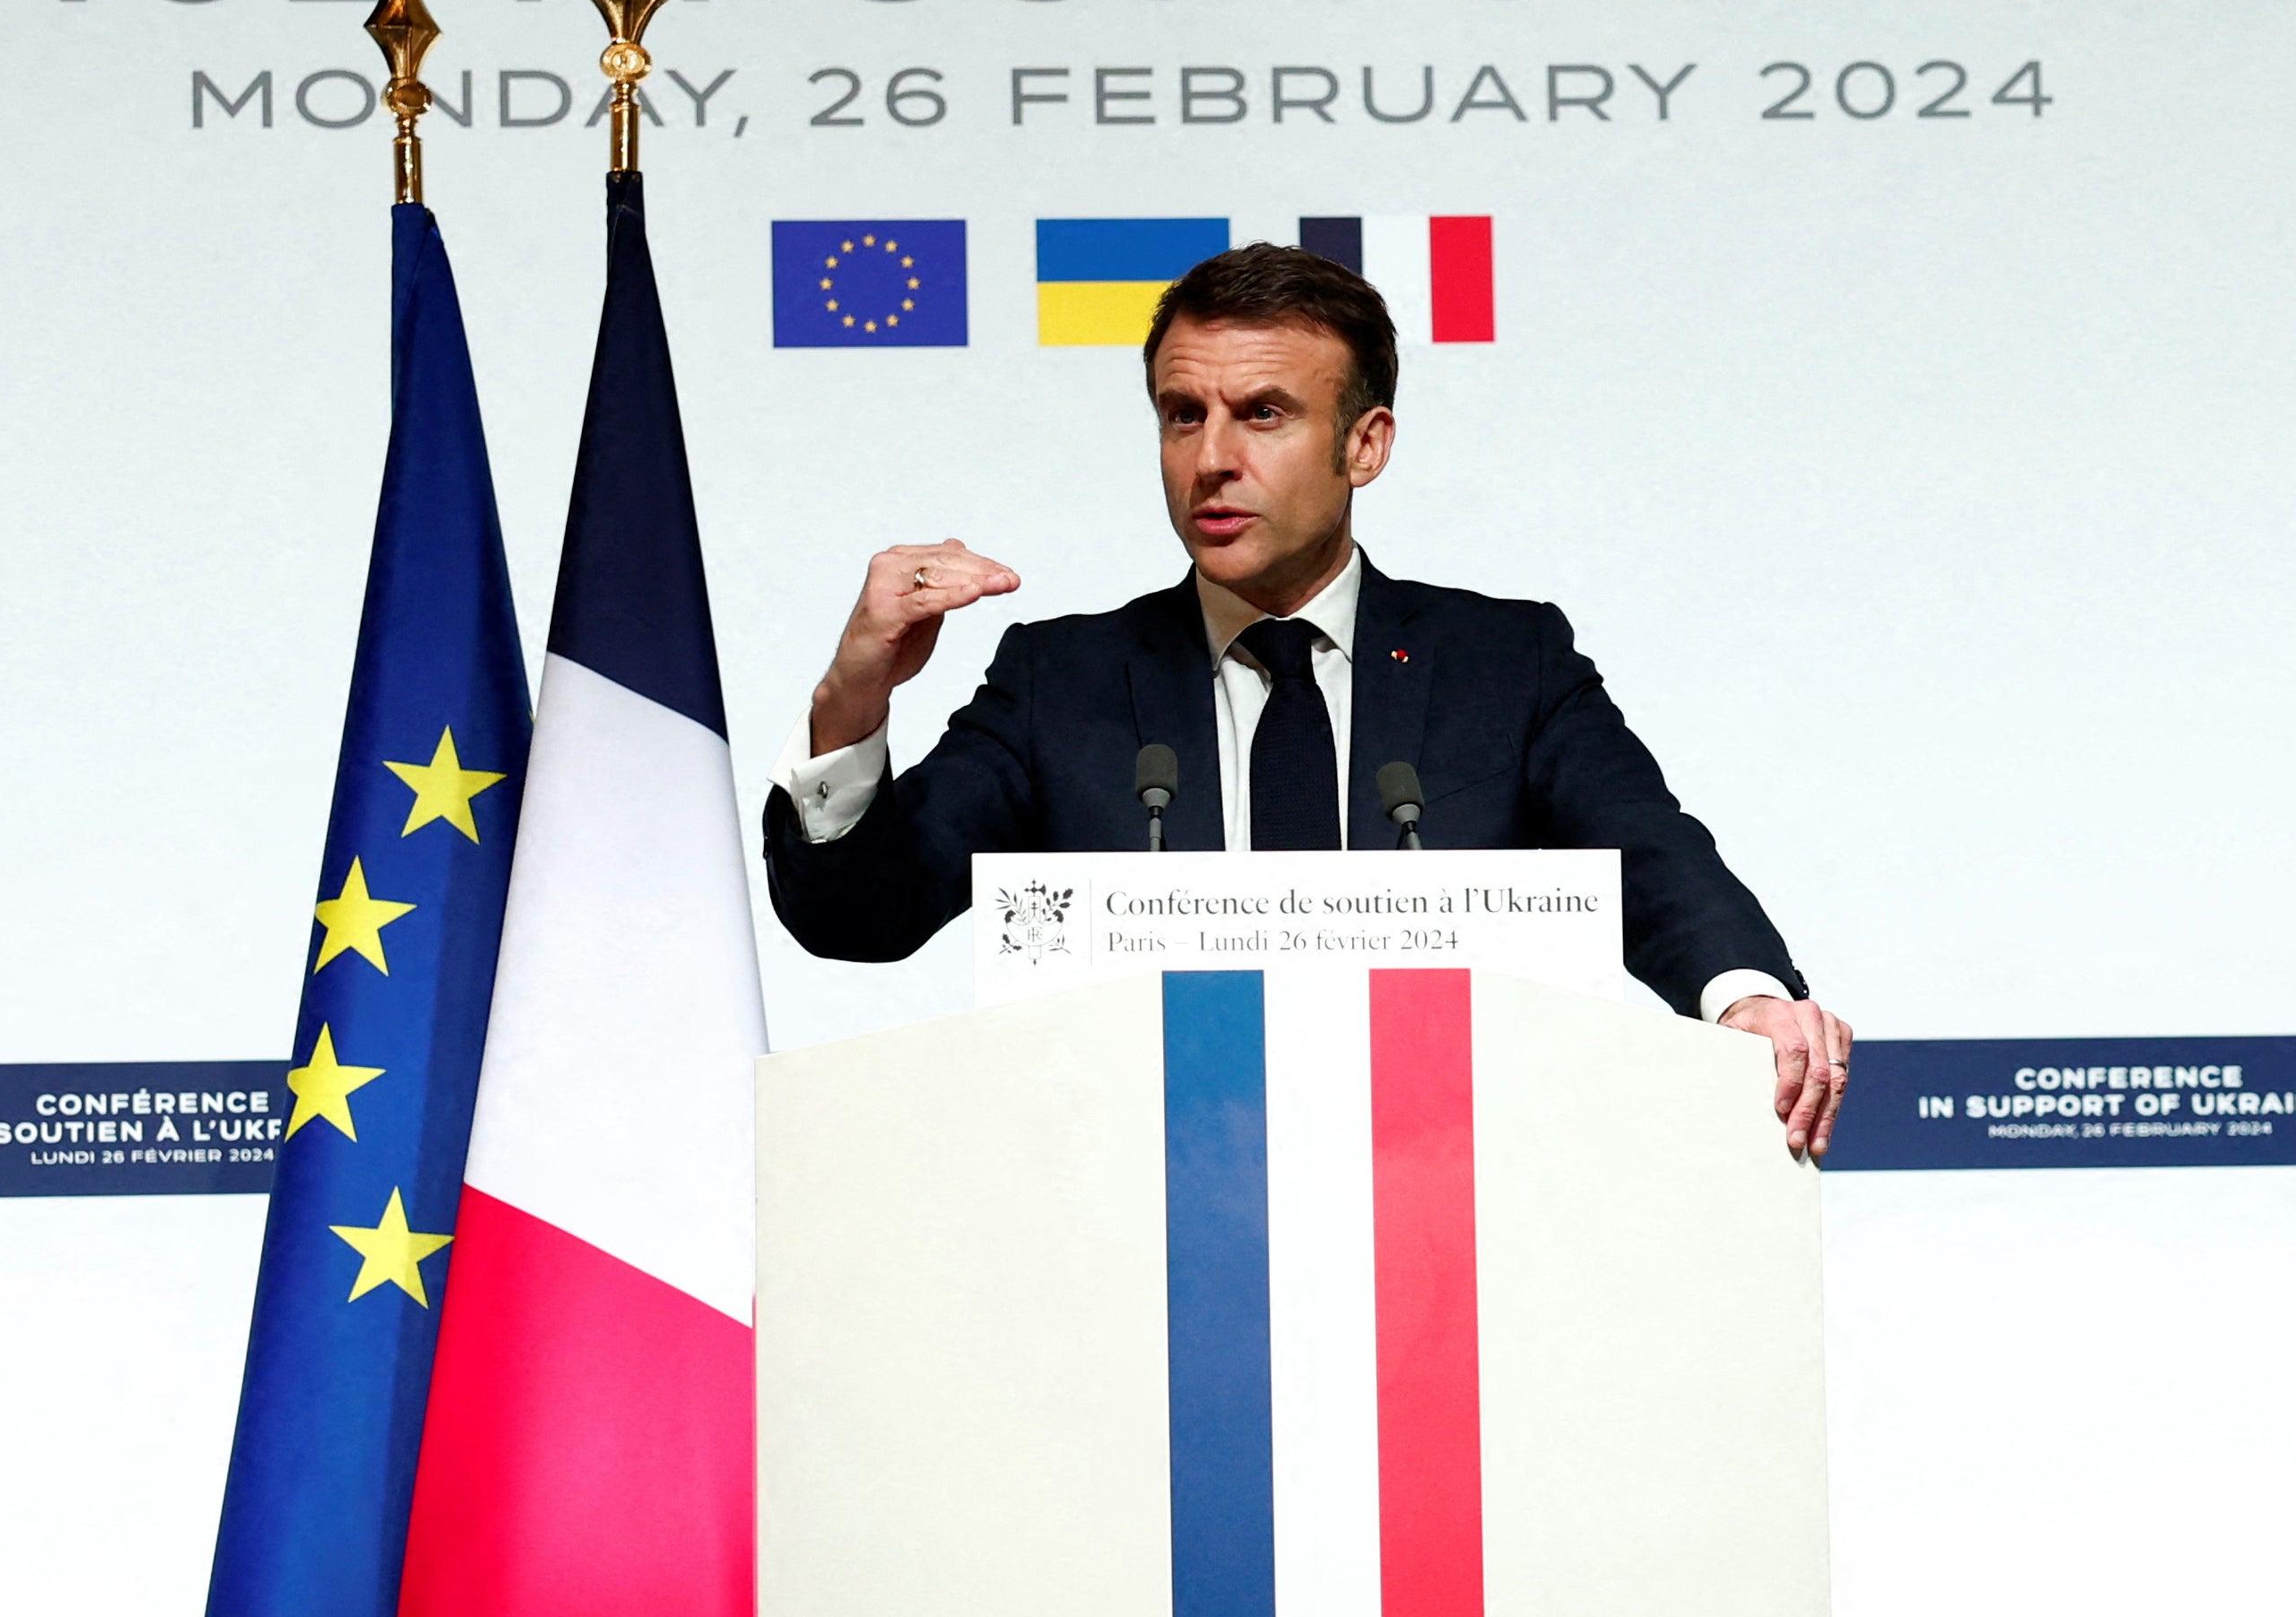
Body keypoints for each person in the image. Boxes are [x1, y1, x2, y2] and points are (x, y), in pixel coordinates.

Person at [761, 242, 1849, 1158]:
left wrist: (1744, 998)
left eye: (1264, 414)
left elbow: (1652, 858)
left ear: (1364, 444)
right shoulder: (1066, 681)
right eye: (1182, 415)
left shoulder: (1502, 663)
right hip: (1134, 1208)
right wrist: (851, 697)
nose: (1212, 459)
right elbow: (861, 919)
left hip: (1451, 1205)